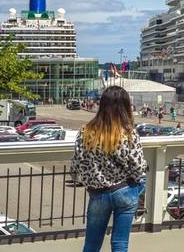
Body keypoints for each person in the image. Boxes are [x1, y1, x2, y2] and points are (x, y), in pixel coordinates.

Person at [72, 86, 147, 252]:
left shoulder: (86, 132)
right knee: (120, 244)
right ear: (125, 107)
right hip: (124, 191)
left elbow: (77, 164)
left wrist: (92, 181)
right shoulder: (128, 133)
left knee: (91, 245)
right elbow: (138, 166)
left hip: (98, 193)